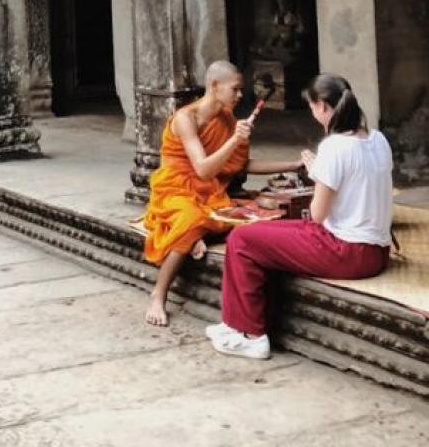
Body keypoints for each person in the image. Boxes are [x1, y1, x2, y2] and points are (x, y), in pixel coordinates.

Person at [208, 73, 392, 359]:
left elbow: (317, 215)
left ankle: (250, 335)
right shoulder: (378, 139)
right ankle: (235, 324)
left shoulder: (334, 147)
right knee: (265, 230)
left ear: (321, 106)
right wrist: (322, 171)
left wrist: (319, 174)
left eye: (311, 107)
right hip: (378, 251)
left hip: (346, 251)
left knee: (243, 238)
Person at [144, 61, 300, 326]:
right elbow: (204, 169)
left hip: (210, 191)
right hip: (175, 188)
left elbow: (241, 165)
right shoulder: (186, 118)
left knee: (247, 214)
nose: (240, 96)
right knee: (191, 220)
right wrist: (234, 141)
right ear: (214, 86)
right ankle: (158, 294)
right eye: (236, 89)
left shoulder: (226, 119)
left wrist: (295, 163)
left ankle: (197, 236)